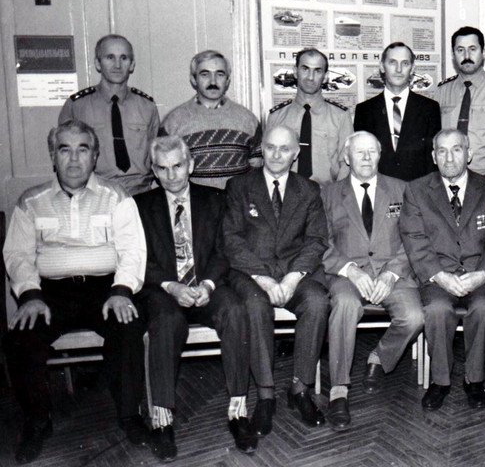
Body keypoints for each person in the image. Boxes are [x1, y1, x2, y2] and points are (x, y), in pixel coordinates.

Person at [2, 120, 148, 464]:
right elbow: (18, 255)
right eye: (64, 149)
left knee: (128, 327)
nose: (73, 159)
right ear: (52, 155)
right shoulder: (31, 201)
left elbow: (133, 250)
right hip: (50, 293)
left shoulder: (117, 197)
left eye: (83, 149)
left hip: (106, 288)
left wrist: (122, 289)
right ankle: (38, 421)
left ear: (95, 156)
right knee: (20, 337)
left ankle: (130, 416)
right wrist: (30, 295)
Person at [135, 136, 255, 460]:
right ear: (154, 171)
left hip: (205, 286)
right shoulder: (140, 206)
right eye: (163, 168)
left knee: (235, 310)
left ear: (191, 165)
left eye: (177, 166)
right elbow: (138, 258)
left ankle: (238, 411)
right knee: (165, 320)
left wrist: (208, 285)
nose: (171, 175)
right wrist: (171, 286)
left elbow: (223, 251)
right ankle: (162, 420)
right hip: (165, 291)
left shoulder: (215, 200)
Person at [222, 124, 330, 430]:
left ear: (295, 154)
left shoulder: (309, 190)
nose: (277, 155)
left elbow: (317, 240)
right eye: (270, 147)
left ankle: (300, 388)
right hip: (252, 274)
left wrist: (292, 279)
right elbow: (232, 240)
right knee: (255, 306)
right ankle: (265, 395)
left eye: (284, 149)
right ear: (262, 150)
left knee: (317, 302)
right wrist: (264, 279)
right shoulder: (239, 186)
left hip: (294, 273)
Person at [322, 131, 424, 431]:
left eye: (372, 152)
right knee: (345, 304)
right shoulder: (327, 194)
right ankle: (338, 390)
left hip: (393, 273)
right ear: (346, 157)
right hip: (348, 274)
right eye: (359, 152)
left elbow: (414, 238)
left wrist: (392, 273)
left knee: (414, 316)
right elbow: (319, 242)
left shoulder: (402, 189)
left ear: (380, 155)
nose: (366, 158)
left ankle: (379, 358)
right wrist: (350, 270)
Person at [399, 129, 485, 411]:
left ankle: (474, 379)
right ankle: (440, 381)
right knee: (437, 310)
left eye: (456, 149)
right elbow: (414, 239)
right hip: (438, 276)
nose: (449, 158)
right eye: (442, 151)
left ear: (469, 154)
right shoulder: (416, 190)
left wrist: (483, 273)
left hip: (480, 274)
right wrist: (440, 276)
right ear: (433, 157)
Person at [59, 34, 160, 195]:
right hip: (96, 194)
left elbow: (157, 155)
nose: (117, 65)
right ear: (97, 63)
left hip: (140, 193)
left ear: (132, 65)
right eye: (110, 57)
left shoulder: (147, 106)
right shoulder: (77, 106)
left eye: (124, 58)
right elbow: (64, 156)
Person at [159, 50, 261, 190]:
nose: (213, 81)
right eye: (205, 74)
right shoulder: (173, 122)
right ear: (193, 79)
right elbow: (164, 172)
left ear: (227, 80)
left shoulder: (248, 120)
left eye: (220, 74)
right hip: (194, 202)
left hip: (237, 202)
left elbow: (257, 172)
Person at [434, 27, 485, 177]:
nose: (467, 56)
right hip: (447, 178)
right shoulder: (442, 91)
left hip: (484, 177)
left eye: (472, 49)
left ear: (483, 52)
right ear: (453, 54)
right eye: (460, 50)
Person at [354, 42, 441, 180]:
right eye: (392, 62)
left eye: (405, 63)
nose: (399, 69)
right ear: (382, 67)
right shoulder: (364, 110)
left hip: (418, 188)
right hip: (379, 189)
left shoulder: (429, 108)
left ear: (412, 69)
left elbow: (433, 160)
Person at [265, 48, 353, 184]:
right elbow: (268, 161)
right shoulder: (276, 116)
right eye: (305, 69)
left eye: (317, 71)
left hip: (326, 193)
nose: (310, 77)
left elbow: (346, 164)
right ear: (295, 72)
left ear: (325, 76)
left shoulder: (340, 116)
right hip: (286, 193)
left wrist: (336, 194)